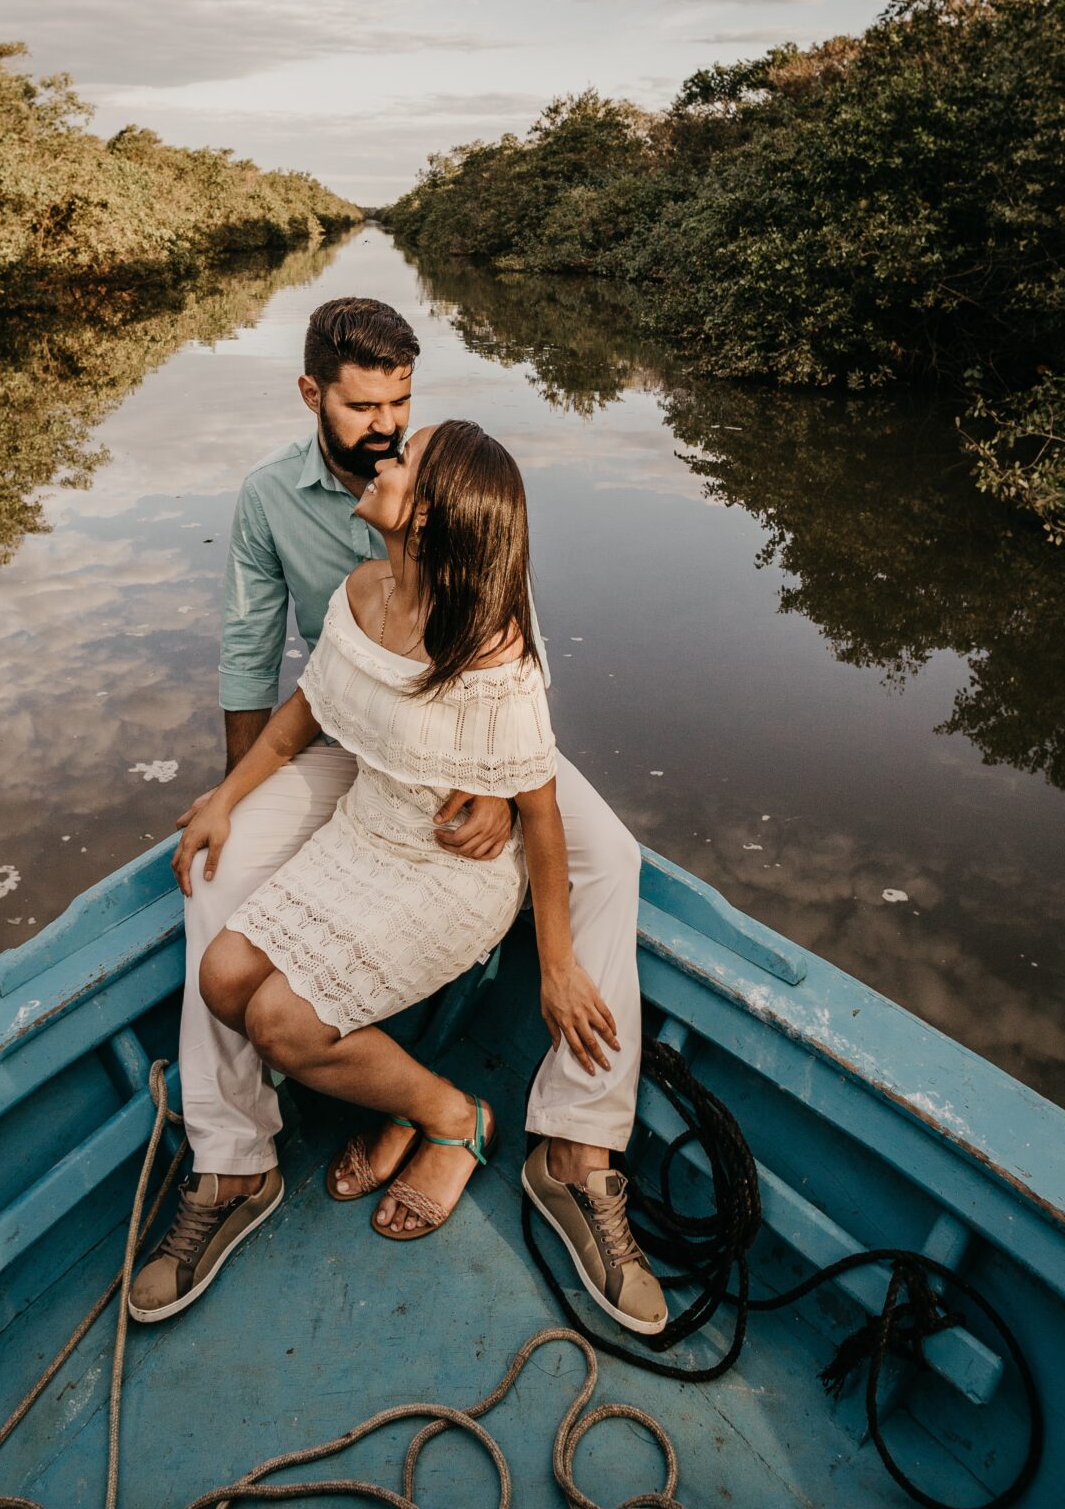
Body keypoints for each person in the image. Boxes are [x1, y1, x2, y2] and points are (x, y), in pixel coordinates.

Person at [128, 299, 665, 1332]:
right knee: (216, 866)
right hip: (348, 741)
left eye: (401, 404)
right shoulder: (271, 501)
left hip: (474, 741)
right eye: (365, 405)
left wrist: (498, 784)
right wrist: (234, 792)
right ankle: (233, 1162)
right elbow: (257, 657)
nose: (386, 426)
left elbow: (510, 631)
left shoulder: (447, 480)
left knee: (615, 860)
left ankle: (577, 1147)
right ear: (312, 395)